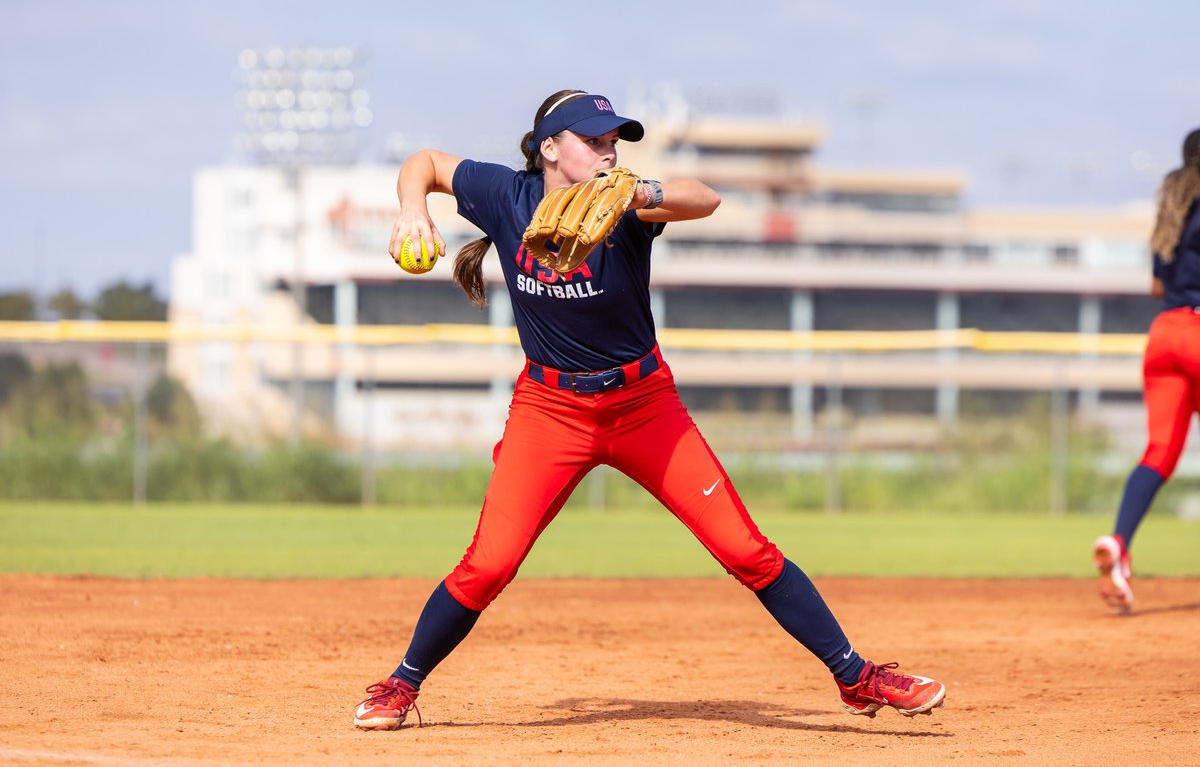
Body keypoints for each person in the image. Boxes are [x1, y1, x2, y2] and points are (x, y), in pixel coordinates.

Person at [354, 90, 946, 730]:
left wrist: (638, 194)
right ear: (550, 149)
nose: (608, 150)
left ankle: (857, 679)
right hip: (550, 411)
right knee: (489, 564)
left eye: (614, 140)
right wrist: (412, 210)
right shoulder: (507, 196)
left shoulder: (628, 202)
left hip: (643, 406)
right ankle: (400, 684)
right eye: (593, 140)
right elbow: (427, 163)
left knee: (747, 552)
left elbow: (705, 198)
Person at [1093, 127, 1200, 614]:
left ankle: (1119, 544)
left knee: (1159, 452)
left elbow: (1159, 285)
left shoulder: (1172, 208)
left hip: (1163, 337)